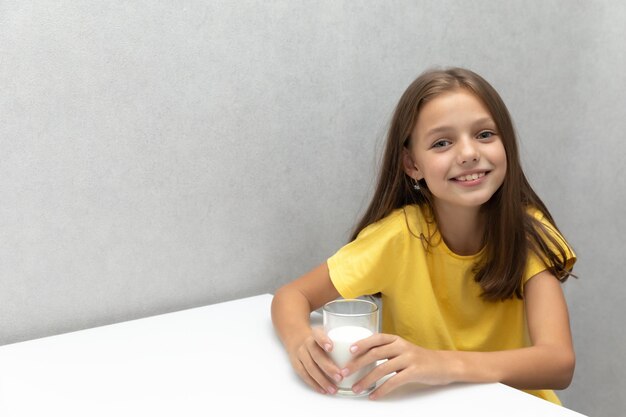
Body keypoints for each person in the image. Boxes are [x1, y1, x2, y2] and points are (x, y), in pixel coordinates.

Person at [270, 67, 576, 404]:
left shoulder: (529, 231)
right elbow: (292, 295)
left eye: (485, 134)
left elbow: (558, 363)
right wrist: (300, 342)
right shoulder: (399, 236)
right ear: (412, 164)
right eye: (442, 142)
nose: (469, 153)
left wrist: (444, 364)